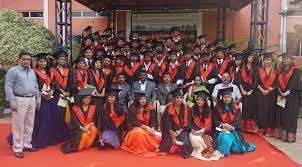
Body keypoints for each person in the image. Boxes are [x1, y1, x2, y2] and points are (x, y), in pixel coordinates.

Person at [5, 51, 41, 158]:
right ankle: (17, 147)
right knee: (18, 124)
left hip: (32, 99)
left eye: (28, 59)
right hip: (19, 100)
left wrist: (38, 98)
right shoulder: (13, 71)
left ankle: (26, 144)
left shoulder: (32, 71)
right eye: (24, 59)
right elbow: (8, 86)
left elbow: (35, 86)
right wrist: (12, 101)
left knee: (30, 123)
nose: (26, 61)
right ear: (19, 59)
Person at [31, 53, 68, 148]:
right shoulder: (33, 72)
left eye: (44, 61)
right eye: (41, 61)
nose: (43, 63)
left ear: (47, 62)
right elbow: (32, 85)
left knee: (52, 118)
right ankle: (40, 138)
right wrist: (40, 93)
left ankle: (49, 138)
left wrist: (51, 90)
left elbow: (54, 83)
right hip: (40, 98)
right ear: (37, 62)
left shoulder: (49, 72)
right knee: (41, 119)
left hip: (50, 98)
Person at [213, 87, 255, 157]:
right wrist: (223, 125)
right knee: (224, 137)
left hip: (233, 129)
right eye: (225, 97)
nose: (227, 99)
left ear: (231, 97)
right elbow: (215, 120)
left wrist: (230, 127)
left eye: (228, 97)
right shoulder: (218, 108)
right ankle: (225, 150)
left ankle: (229, 148)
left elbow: (237, 120)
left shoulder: (236, 108)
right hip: (221, 129)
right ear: (222, 98)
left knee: (236, 148)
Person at [121, 90, 162, 157]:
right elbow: (133, 121)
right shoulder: (132, 108)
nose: (143, 100)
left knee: (158, 136)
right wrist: (146, 127)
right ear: (137, 100)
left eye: (144, 98)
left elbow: (153, 120)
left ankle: (150, 148)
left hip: (148, 128)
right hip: (135, 129)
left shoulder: (150, 108)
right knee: (139, 133)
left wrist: (152, 128)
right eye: (141, 99)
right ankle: (141, 149)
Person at [60, 88, 99, 154]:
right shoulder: (76, 108)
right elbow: (75, 122)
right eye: (85, 98)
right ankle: (80, 146)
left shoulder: (93, 107)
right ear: (82, 99)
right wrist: (84, 129)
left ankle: (88, 145)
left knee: (94, 129)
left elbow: (95, 119)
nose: (87, 100)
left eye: (89, 98)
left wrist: (89, 125)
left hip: (88, 126)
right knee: (84, 136)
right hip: (78, 129)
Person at [189, 89, 223, 161]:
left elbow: (209, 123)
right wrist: (192, 129)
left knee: (206, 137)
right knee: (195, 138)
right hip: (194, 130)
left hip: (205, 130)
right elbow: (190, 121)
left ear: (204, 101)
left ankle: (210, 151)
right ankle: (207, 150)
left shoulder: (208, 110)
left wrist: (203, 130)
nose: (199, 101)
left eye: (201, 100)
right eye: (198, 99)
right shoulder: (192, 109)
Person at [160, 87, 193, 159]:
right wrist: (172, 135)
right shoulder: (168, 108)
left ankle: (179, 145)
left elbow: (188, 122)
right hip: (170, 131)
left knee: (185, 144)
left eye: (181, 97)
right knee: (165, 147)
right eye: (177, 98)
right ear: (174, 99)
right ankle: (177, 145)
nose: (179, 99)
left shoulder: (187, 108)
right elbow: (166, 122)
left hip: (182, 130)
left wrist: (178, 132)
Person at [275, 54, 300, 142]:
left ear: (291, 60)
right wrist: (280, 91)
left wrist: (286, 92)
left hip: (291, 96)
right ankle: (282, 135)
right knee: (281, 114)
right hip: (281, 95)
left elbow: (294, 82)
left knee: (290, 115)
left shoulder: (296, 70)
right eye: (284, 59)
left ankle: (289, 136)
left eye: (288, 59)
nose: (286, 60)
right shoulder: (281, 71)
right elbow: (277, 82)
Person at [255, 52, 277, 136]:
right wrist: (262, 90)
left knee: (270, 110)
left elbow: (277, 83)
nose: (267, 61)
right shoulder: (259, 70)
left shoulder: (275, 71)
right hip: (261, 93)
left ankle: (269, 130)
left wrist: (271, 89)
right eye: (266, 60)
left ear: (272, 61)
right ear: (263, 61)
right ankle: (261, 129)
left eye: (269, 60)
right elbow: (256, 82)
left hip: (271, 94)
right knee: (261, 110)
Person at [239, 52, 258, 133]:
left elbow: (256, 80)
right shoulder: (242, 67)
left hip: (252, 90)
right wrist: (242, 90)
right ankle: (243, 126)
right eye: (249, 57)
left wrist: (251, 90)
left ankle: (250, 127)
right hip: (243, 89)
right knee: (244, 107)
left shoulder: (255, 68)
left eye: (252, 57)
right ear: (246, 58)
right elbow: (239, 79)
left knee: (250, 107)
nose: (250, 59)